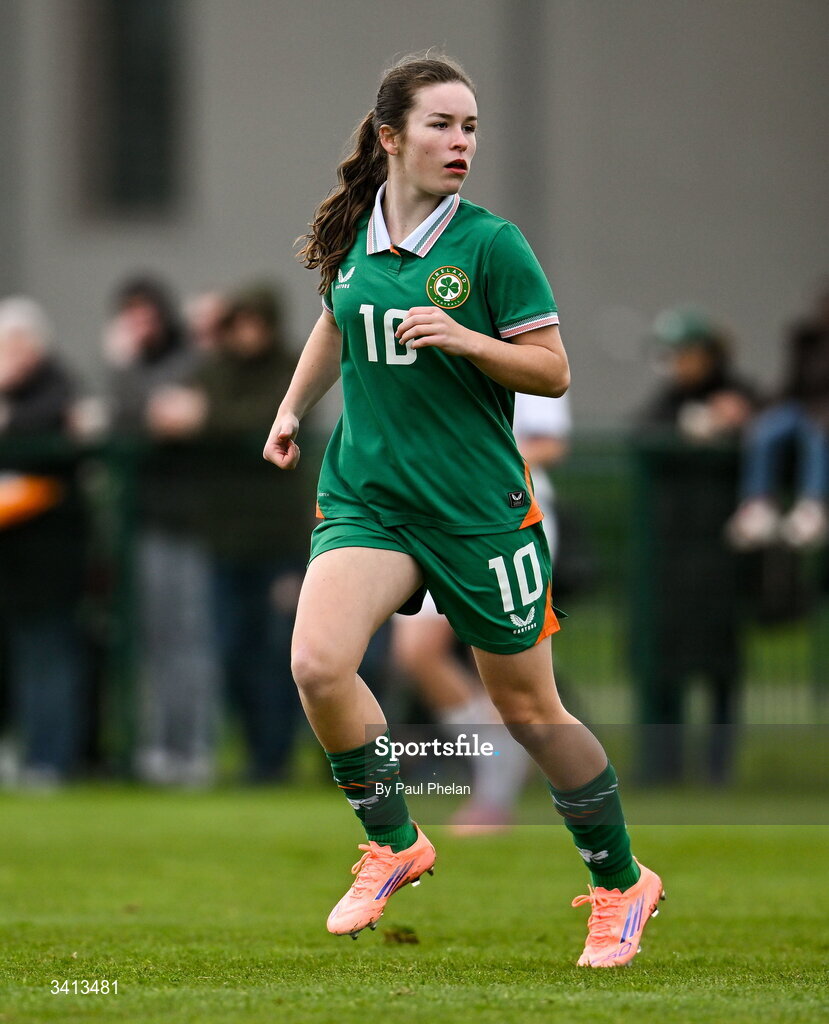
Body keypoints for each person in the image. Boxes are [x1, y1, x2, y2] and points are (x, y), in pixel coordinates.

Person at [263, 54, 663, 967]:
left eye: (471, 127)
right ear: (390, 136)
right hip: (368, 498)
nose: (460, 143)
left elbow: (552, 371)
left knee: (528, 709)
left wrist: (466, 339)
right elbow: (335, 318)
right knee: (318, 663)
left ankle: (620, 880)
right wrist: (291, 409)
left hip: (476, 510)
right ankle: (394, 844)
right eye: (441, 125)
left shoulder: (490, 245)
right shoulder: (356, 231)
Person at [148, 282, 310, 782]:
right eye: (239, 323)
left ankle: (275, 758)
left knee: (281, 652)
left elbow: (267, 418)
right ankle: (254, 754)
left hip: (279, 539)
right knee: (231, 650)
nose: (246, 334)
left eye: (254, 323)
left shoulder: (289, 368)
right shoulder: (213, 367)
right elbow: (167, 406)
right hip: (223, 538)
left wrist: (203, 419)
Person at [392, 391, 572, 834]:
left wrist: (474, 461)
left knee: (502, 665)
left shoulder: (514, 352)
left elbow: (549, 443)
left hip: (504, 513)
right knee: (417, 652)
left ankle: (496, 796)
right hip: (429, 512)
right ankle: (498, 762)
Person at [105, 275, 220, 786]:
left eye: (146, 313)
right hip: (144, 523)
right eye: (130, 315)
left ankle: (193, 747)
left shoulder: (189, 361)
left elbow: (158, 413)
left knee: (188, 638)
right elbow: (122, 420)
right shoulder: (135, 370)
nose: (139, 325)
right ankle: (156, 746)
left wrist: (123, 367)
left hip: (189, 523)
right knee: (152, 639)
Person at [634, 308, 755, 783]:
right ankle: (663, 768)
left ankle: (718, 770)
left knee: (722, 670)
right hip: (670, 562)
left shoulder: (742, 397)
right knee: (665, 665)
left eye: (685, 353)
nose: (676, 363)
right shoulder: (665, 403)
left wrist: (736, 421)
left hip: (723, 563)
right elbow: (644, 432)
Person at [0, 297, 89, 786]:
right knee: (24, 656)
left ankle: (51, 757)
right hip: (16, 561)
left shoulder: (57, 387)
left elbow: (55, 428)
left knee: (50, 655)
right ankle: (29, 751)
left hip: (51, 556)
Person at [727, 281, 829, 550]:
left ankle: (812, 506)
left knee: (817, 436)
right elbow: (790, 386)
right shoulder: (805, 339)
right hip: (800, 408)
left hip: (822, 416)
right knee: (764, 431)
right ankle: (758, 503)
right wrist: (757, 409)